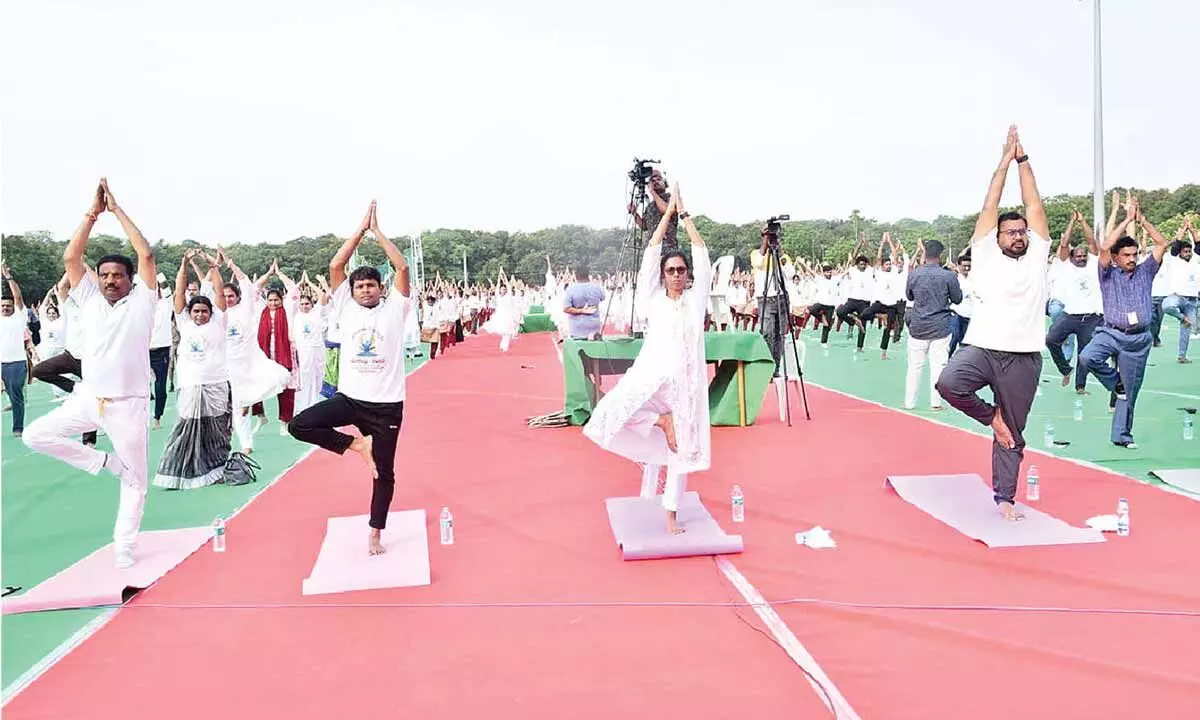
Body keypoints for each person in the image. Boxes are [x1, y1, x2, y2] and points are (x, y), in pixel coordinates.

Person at [23, 179, 158, 568]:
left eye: (117, 275)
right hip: (88, 399)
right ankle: (103, 463)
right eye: (104, 275)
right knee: (35, 435)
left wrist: (116, 210)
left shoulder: (143, 303)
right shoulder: (88, 300)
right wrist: (91, 214)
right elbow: (71, 258)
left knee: (136, 481)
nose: (110, 280)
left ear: (130, 279)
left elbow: (145, 254)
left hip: (127, 406)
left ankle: (123, 546)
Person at [935, 127, 1049, 522]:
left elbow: (1034, 204)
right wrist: (1004, 161)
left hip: (1024, 358)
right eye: (1010, 232)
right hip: (982, 348)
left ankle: (1005, 499)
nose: (1018, 236)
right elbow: (990, 203)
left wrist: (1024, 160)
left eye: (1022, 232)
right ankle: (991, 417)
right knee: (949, 383)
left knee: (1013, 434)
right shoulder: (984, 252)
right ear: (997, 236)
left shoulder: (1038, 255)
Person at [583, 187, 710, 535]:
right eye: (671, 270)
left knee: (681, 451)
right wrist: (667, 213)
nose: (677, 274)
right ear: (663, 275)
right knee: (610, 413)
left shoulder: (696, 300)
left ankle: (670, 513)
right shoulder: (654, 298)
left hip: (685, 385)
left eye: (681, 270)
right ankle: (658, 420)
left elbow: (701, 252)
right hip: (652, 377)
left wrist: (685, 215)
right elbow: (651, 254)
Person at [289, 201, 412, 556]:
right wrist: (360, 230)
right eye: (360, 287)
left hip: (387, 407)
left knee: (384, 474)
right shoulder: (344, 305)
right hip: (350, 399)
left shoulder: (396, 307)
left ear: (381, 288)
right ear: (352, 291)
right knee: (300, 425)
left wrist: (379, 233)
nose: (366, 290)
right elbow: (336, 265)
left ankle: (375, 531)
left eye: (372, 285)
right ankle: (357, 445)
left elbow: (401, 265)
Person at [1080, 194, 1168, 449]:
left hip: (1139, 339)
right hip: (1111, 333)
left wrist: (1141, 220)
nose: (1131, 258)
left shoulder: (1146, 271)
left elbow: (1161, 242)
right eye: (1126, 255)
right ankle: (1113, 381)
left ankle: (1122, 436)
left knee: (1130, 394)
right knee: (1087, 358)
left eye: (1134, 254)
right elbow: (1105, 247)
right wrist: (1125, 218)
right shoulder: (1107, 273)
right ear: (1117, 258)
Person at [153, 250, 231, 489]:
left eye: (204, 311)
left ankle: (217, 471)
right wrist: (184, 263)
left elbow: (219, 292)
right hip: (189, 384)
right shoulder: (184, 322)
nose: (200, 314)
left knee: (218, 428)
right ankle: (175, 473)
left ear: (211, 313)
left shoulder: (219, 320)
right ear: (189, 313)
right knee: (186, 426)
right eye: (196, 311)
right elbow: (178, 292)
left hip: (217, 382)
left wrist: (213, 266)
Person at [1045, 211, 1102, 392]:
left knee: (1084, 354)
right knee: (1051, 340)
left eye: (1083, 255)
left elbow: (1092, 241)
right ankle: (1065, 369)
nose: (1081, 258)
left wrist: (1083, 220)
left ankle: (1080, 386)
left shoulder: (1094, 263)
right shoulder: (1065, 266)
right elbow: (1063, 244)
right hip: (1070, 316)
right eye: (1078, 256)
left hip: (1091, 317)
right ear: (1071, 257)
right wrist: (1071, 222)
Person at [903, 240, 961, 410]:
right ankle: (935, 403)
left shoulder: (914, 274)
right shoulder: (948, 276)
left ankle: (909, 402)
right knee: (938, 366)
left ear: (924, 253)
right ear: (940, 255)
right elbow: (957, 298)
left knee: (914, 367)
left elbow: (910, 296)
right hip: (940, 326)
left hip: (918, 325)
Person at [1, 264, 30, 436]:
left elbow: (18, 297)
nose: (5, 308)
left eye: (8, 306)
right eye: (2, 306)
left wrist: (7, 276)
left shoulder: (19, 317)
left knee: (16, 397)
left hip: (15, 363)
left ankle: (18, 427)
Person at [563, 267, 605, 340]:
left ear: (576, 276)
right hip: (594, 326)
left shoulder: (571, 289)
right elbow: (602, 298)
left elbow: (566, 308)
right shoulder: (597, 287)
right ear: (588, 275)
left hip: (577, 328)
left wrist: (582, 310)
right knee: (595, 349)